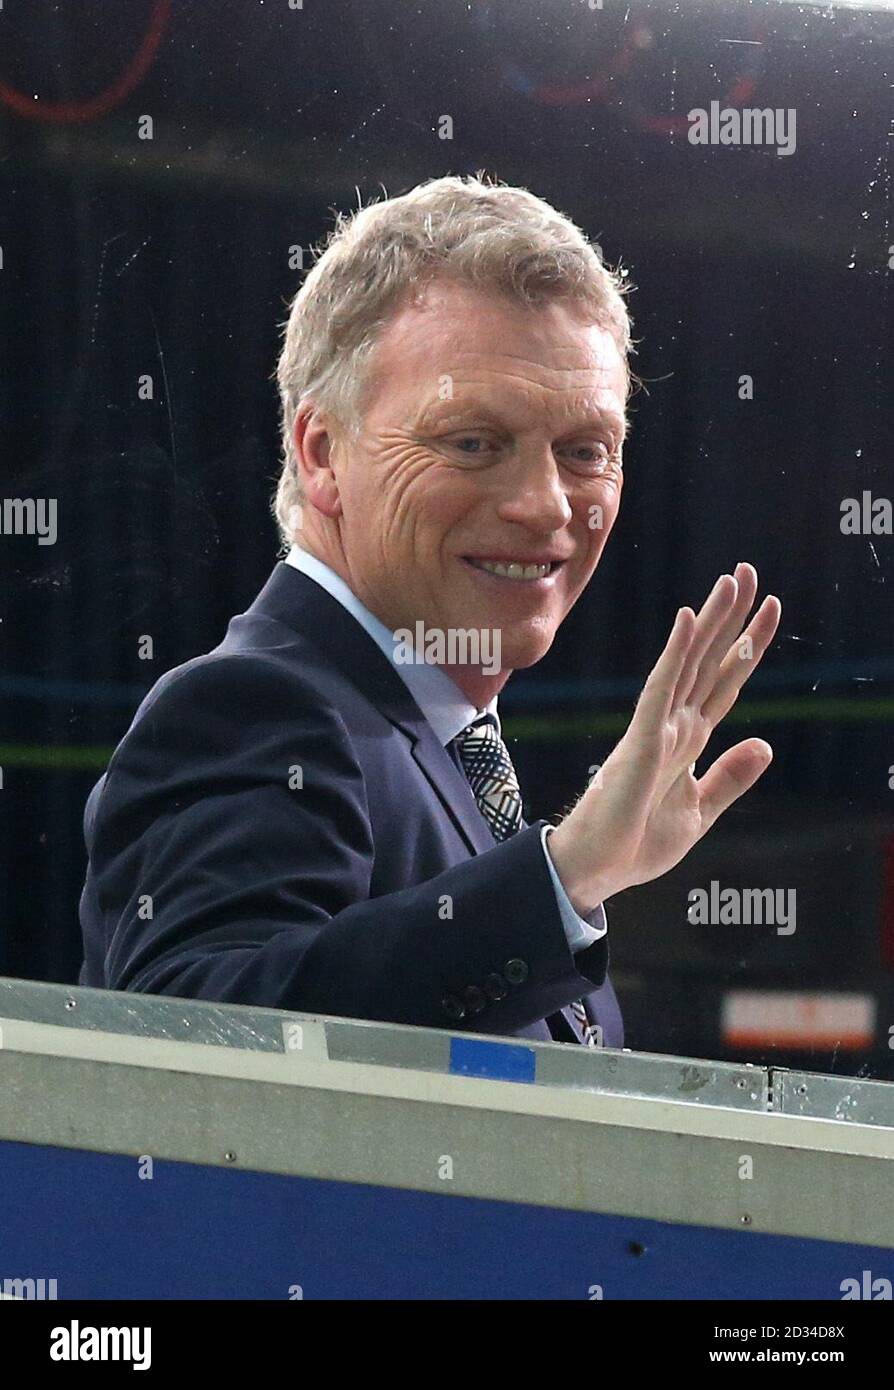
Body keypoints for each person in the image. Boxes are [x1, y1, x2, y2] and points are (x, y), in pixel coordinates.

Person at [78, 175, 781, 1050]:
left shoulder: (443, 748)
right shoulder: (251, 710)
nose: (545, 504)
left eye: (584, 451)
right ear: (324, 452)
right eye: (474, 442)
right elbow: (203, 1046)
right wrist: (565, 877)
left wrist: (571, 884)